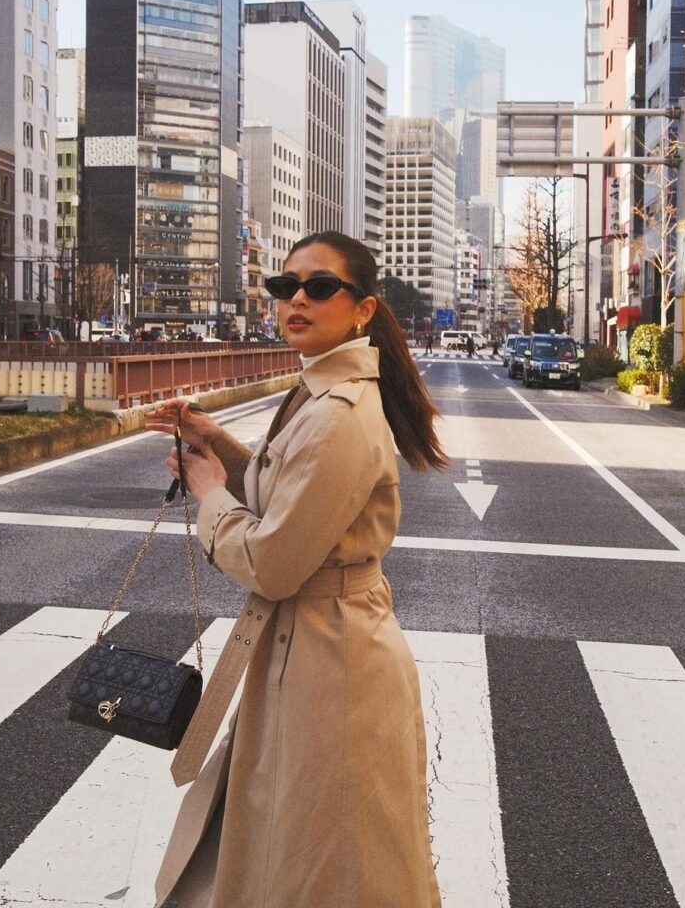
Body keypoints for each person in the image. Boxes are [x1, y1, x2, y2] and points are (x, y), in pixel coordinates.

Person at [146, 231, 448, 908]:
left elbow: (273, 563)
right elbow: (291, 505)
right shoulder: (318, 394)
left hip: (330, 666)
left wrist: (207, 493)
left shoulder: (338, 412)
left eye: (318, 287)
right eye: (284, 287)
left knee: (328, 869)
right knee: (286, 855)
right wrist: (215, 443)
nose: (295, 300)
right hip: (310, 650)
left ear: (363, 308)